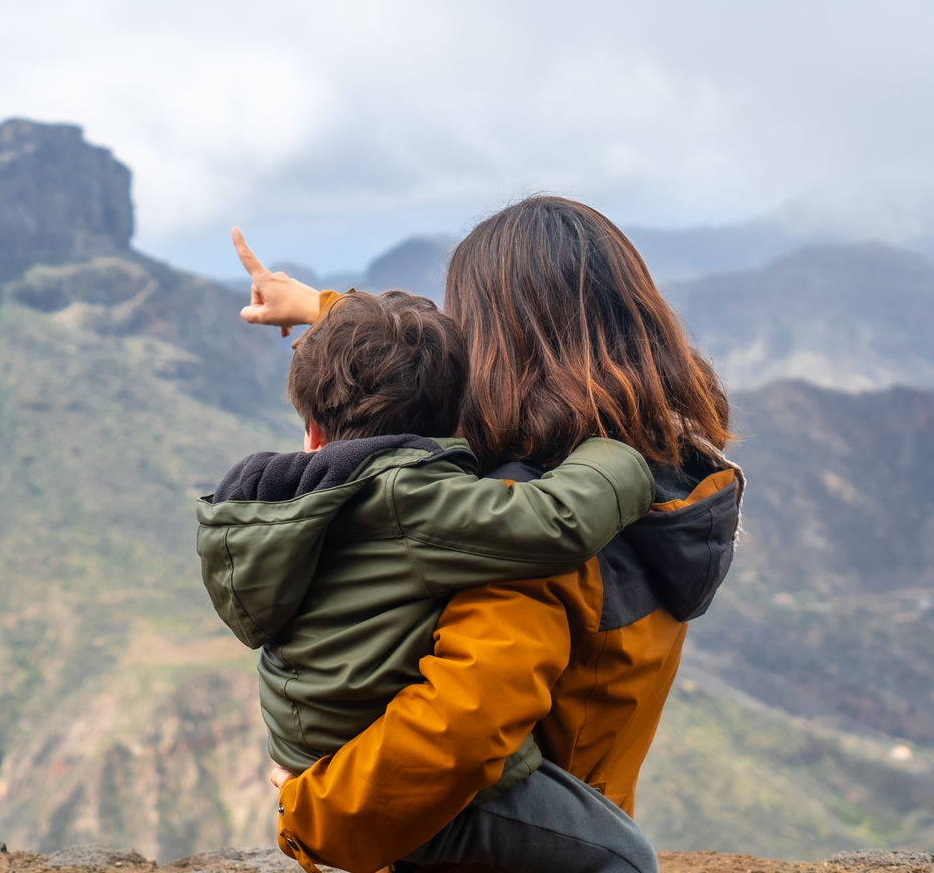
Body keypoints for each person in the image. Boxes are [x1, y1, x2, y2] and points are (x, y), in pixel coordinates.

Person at [232, 196, 742, 873]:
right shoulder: (660, 465)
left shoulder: (520, 531)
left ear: (493, 350)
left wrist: (310, 810)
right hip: (581, 818)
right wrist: (320, 306)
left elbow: (460, 729)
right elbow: (452, 358)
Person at [196, 288, 661, 873]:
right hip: (390, 785)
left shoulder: (276, 509)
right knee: (624, 856)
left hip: (314, 753)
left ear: (312, 433)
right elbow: (557, 522)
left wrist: (322, 307)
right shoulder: (410, 501)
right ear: (450, 428)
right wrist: (615, 451)